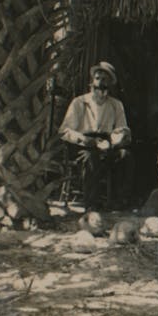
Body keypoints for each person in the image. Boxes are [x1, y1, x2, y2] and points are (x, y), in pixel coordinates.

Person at [59, 61, 135, 210]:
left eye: (105, 79)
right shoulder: (80, 102)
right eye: (98, 78)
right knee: (91, 157)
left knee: (126, 155)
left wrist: (115, 141)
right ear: (92, 81)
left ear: (110, 84)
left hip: (107, 144)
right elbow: (64, 131)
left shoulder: (116, 105)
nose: (100, 83)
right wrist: (86, 140)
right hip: (83, 145)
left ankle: (120, 202)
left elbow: (122, 129)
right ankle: (91, 204)